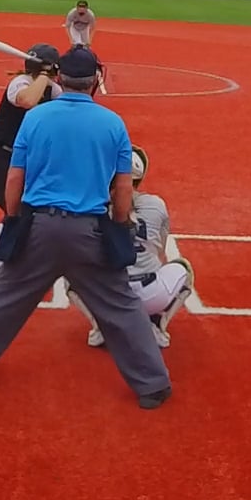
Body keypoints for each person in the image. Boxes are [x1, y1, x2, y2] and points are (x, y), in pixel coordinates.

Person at [0, 47, 173, 410]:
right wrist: (119, 226)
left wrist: (14, 219)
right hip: (90, 232)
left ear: (60, 77)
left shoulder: (36, 118)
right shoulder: (113, 123)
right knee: (121, 305)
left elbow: (14, 177)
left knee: (4, 296)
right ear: (95, 80)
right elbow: (123, 188)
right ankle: (152, 385)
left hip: (40, 228)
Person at [68, 145, 195, 349]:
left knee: (70, 269)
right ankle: (157, 325)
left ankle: (100, 327)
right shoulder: (156, 204)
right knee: (184, 268)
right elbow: (160, 249)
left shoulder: (93, 205)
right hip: (151, 293)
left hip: (109, 296)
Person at [0, 43, 62, 285]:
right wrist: (44, 76)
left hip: (20, 160)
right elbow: (28, 100)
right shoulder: (20, 83)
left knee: (31, 206)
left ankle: (19, 256)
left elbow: (66, 109)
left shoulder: (53, 90)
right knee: (17, 209)